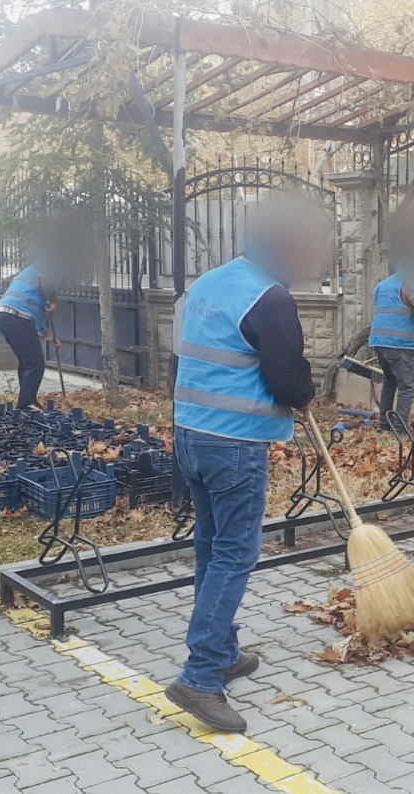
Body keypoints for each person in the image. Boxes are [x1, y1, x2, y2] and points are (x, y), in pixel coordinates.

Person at [165, 198, 327, 733]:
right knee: (235, 555)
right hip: (233, 445)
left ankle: (224, 651)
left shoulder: (209, 282)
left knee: (212, 550)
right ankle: (202, 676)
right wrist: (303, 394)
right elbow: (287, 378)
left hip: (190, 434)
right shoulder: (270, 297)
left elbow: (183, 351)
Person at [368, 258, 414, 428]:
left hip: (380, 342)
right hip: (399, 344)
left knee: (390, 382)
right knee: (408, 387)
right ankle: (399, 428)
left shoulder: (382, 285)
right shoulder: (410, 282)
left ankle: (384, 424)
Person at [0, 259, 60, 410]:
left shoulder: (37, 269)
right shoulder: (52, 266)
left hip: (5, 314)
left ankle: (27, 402)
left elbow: (37, 312)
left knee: (27, 362)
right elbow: (47, 282)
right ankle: (25, 405)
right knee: (35, 363)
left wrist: (49, 336)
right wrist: (53, 300)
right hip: (17, 315)